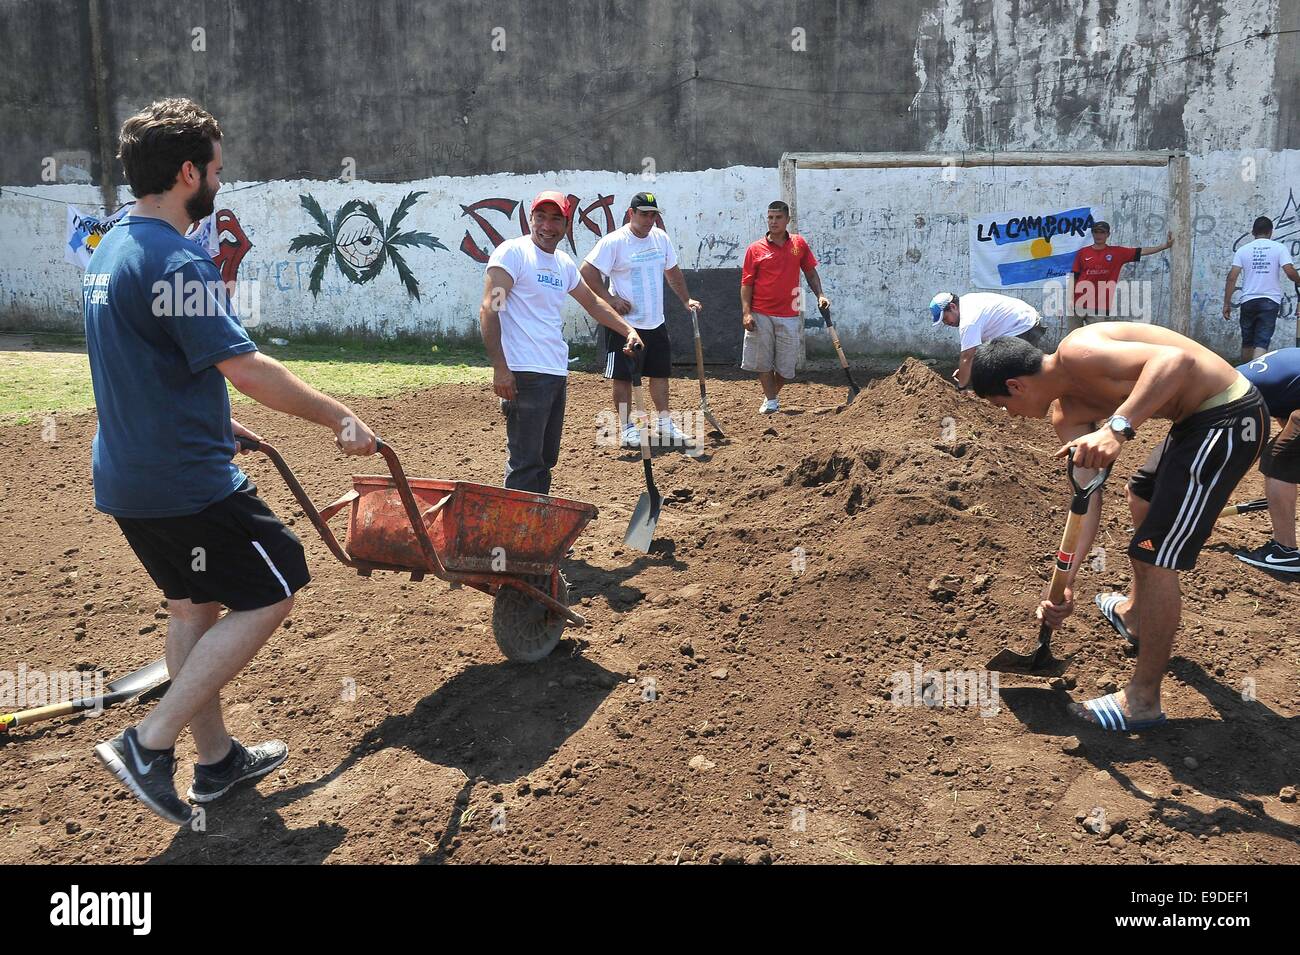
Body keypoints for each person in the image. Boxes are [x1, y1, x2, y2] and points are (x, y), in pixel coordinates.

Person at [86, 98, 379, 825]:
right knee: (276, 579)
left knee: (194, 606)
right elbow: (244, 365)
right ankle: (148, 743)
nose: (221, 177)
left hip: (129, 478)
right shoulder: (174, 255)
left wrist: (218, 420)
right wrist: (338, 415)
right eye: (215, 167)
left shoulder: (113, 249)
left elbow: (151, 362)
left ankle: (214, 762)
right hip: (186, 482)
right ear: (188, 172)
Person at [969, 325, 1267, 732]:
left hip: (1229, 418)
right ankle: (1134, 616)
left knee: (1153, 556)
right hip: (1193, 424)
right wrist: (1066, 582)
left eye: (1001, 405)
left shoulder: (1078, 351)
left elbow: (1175, 362)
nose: (1008, 415)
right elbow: (1085, 499)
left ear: (1015, 386)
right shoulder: (1068, 414)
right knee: (1140, 495)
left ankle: (1142, 701)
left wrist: (1116, 428)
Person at [479, 191, 642, 493]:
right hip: (525, 373)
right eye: (541, 217)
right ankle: (518, 534)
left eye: (556, 219)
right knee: (526, 461)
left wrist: (628, 330)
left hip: (555, 372)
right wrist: (501, 369)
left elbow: (592, 303)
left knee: (545, 459)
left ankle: (538, 530)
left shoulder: (563, 264)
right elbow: (490, 308)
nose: (547, 226)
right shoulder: (512, 254)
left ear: (566, 224)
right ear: (530, 218)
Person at [580, 191, 701, 449]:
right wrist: (609, 299)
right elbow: (586, 271)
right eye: (644, 214)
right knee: (623, 377)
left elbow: (673, 272)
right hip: (623, 325)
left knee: (659, 374)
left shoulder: (660, 239)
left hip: (655, 322)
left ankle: (665, 424)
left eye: (653, 215)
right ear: (631, 214)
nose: (649, 220)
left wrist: (685, 300)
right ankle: (626, 429)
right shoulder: (615, 242)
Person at [740, 201, 829, 414]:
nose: (773, 222)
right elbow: (747, 283)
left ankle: (770, 395)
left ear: (787, 220)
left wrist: (821, 295)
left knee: (786, 366)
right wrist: (746, 312)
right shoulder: (754, 249)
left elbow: (810, 272)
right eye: (770, 217)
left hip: (790, 311)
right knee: (763, 361)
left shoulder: (799, 244)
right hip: (760, 312)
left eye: (778, 217)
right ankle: (771, 401)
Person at [1235, 347, 1300, 572]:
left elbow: (1240, 449)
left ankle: (1283, 552)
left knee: (1278, 460)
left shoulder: (1232, 394)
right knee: (1288, 456)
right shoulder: (1251, 382)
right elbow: (1287, 411)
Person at [928, 291, 1046, 388]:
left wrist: (961, 387)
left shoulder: (968, 320)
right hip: (1026, 321)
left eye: (945, 318)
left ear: (953, 307)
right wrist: (966, 369)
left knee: (1001, 369)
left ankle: (1014, 403)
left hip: (1024, 327)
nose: (946, 323)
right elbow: (974, 352)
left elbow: (967, 356)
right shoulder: (967, 302)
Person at [1067, 221, 1172, 328]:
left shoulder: (1117, 253)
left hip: (1099, 305)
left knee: (1097, 340)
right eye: (1096, 232)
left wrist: (1164, 246)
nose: (1099, 235)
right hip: (1078, 303)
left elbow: (1141, 251)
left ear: (1108, 234)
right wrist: (1070, 299)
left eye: (1102, 232)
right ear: (1092, 233)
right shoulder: (1082, 253)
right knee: (1072, 338)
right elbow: (1073, 277)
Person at [1223, 216, 1299, 363]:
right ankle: (1256, 377)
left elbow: (1232, 277)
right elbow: (1289, 271)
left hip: (1248, 300)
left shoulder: (1243, 250)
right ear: (1271, 232)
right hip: (1270, 301)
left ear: (1253, 232)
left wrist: (1226, 303)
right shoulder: (1279, 248)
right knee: (1262, 341)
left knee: (1247, 341)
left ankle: (1245, 376)